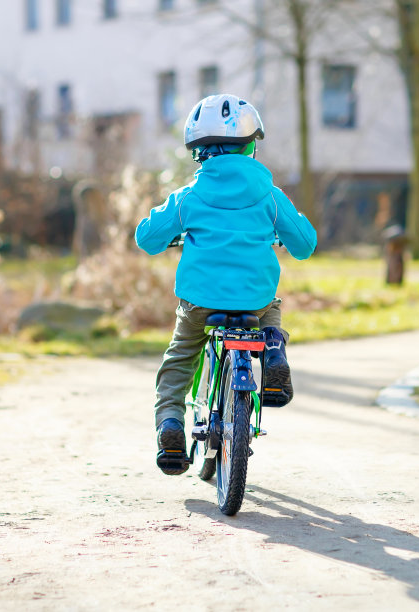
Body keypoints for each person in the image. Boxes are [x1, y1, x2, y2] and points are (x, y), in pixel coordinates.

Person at [135, 94, 317, 476]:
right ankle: (272, 348)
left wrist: (172, 224)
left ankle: (170, 423)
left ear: (199, 153)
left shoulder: (190, 196)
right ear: (252, 145)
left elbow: (148, 238)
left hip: (200, 300)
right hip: (254, 299)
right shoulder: (270, 194)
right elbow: (304, 244)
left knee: (180, 357)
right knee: (272, 306)